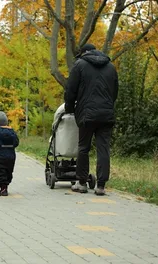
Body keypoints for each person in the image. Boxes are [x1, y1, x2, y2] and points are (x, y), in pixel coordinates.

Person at [64, 43, 118, 196]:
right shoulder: (111, 67)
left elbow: (70, 91)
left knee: (83, 147)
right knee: (103, 149)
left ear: (84, 53)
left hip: (87, 114)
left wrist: (70, 109)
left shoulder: (79, 65)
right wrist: (108, 106)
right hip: (106, 115)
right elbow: (115, 92)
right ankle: (100, 186)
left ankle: (81, 183)